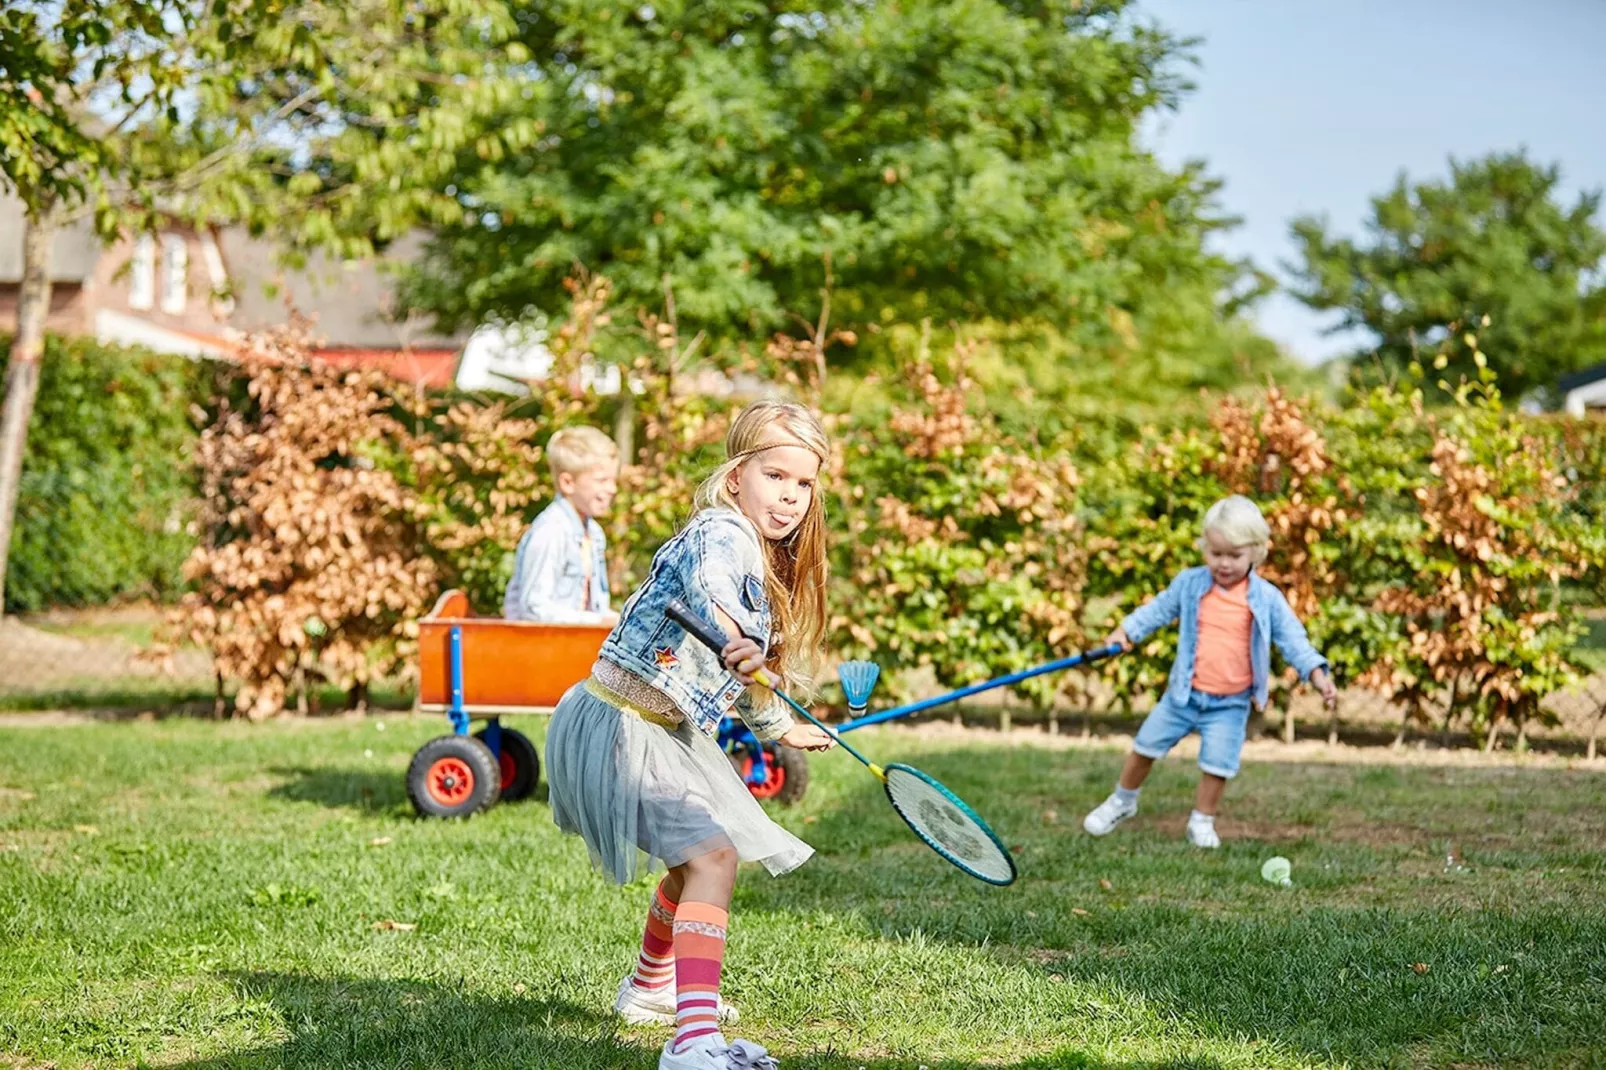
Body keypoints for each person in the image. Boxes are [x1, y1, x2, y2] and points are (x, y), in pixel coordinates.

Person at [544, 400, 837, 1070]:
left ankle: (651, 990)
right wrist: (732, 629)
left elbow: (741, 677)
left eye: (803, 484)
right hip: (620, 726)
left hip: (653, 727)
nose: (790, 496)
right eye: (776, 476)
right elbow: (709, 590)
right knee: (713, 860)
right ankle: (694, 1043)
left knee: (698, 858)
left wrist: (781, 724)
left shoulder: (756, 552)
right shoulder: (721, 533)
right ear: (737, 477)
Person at [1083, 495, 1338, 848]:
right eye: (1215, 554)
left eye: (1234, 555)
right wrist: (1126, 631)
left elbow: (1294, 640)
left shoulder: (1266, 598)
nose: (1224, 563)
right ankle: (1122, 801)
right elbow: (1157, 610)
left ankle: (1202, 821)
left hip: (1230, 703)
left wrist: (1317, 674)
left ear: (1256, 552)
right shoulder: (1190, 584)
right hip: (1183, 695)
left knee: (1218, 765)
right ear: (1205, 548)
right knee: (1145, 746)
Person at [502, 425, 620, 625]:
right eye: (602, 480)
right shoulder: (551, 531)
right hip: (538, 648)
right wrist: (596, 622)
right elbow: (534, 609)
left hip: (573, 645)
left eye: (613, 480)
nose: (612, 489)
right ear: (568, 483)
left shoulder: (593, 533)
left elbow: (595, 607)